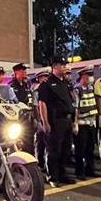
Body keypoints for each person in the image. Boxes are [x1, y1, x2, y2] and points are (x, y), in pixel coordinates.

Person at [37, 56, 76, 187]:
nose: (65, 67)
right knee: (54, 150)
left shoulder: (65, 83)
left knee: (65, 149)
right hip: (55, 121)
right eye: (62, 65)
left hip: (67, 120)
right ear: (54, 66)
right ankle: (52, 176)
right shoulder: (47, 84)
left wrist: (73, 121)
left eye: (65, 65)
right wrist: (45, 122)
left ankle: (62, 174)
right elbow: (42, 104)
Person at [73, 65, 98, 180]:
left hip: (91, 123)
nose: (91, 78)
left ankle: (90, 170)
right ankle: (79, 172)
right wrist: (75, 124)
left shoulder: (91, 88)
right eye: (89, 75)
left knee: (90, 148)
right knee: (80, 150)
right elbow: (76, 108)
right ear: (83, 76)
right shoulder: (77, 90)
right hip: (82, 124)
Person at [9, 63, 35, 154]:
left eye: (25, 70)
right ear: (16, 72)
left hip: (28, 118)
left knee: (29, 143)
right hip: (18, 119)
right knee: (18, 143)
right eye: (22, 70)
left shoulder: (26, 85)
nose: (25, 72)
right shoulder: (11, 86)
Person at [32, 69, 50, 169]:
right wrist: (39, 122)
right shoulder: (37, 90)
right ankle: (40, 163)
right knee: (40, 143)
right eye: (44, 77)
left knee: (48, 144)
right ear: (39, 78)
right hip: (41, 119)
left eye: (47, 76)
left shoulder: (48, 88)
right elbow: (35, 107)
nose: (46, 79)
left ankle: (46, 164)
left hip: (48, 118)